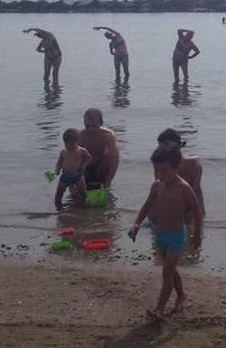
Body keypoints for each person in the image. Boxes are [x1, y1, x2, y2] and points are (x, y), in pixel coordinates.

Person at [128, 146, 203, 322]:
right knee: (171, 270)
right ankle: (182, 295)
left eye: (164, 170)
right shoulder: (156, 186)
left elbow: (197, 211)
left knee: (166, 273)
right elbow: (146, 206)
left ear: (176, 168)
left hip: (177, 236)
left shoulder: (183, 188)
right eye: (156, 170)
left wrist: (197, 234)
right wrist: (136, 224)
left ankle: (159, 309)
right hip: (161, 235)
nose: (159, 174)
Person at [157, 128, 205, 216]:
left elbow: (159, 189)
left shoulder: (161, 163)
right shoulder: (195, 162)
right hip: (188, 209)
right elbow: (197, 191)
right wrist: (201, 214)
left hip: (166, 208)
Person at [78, 108, 120, 189]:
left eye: (94, 126)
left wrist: (108, 182)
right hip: (85, 170)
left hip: (101, 169)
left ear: (101, 123)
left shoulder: (108, 135)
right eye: (87, 126)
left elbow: (115, 160)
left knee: (110, 156)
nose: (90, 129)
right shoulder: (80, 136)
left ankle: (105, 183)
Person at [54, 128, 91, 209]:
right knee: (59, 194)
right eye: (66, 144)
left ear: (77, 141)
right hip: (65, 176)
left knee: (83, 194)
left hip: (77, 176)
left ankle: (82, 207)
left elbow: (88, 158)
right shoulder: (63, 152)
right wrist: (57, 170)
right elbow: (59, 162)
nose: (68, 146)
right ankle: (59, 208)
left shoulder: (82, 151)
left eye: (71, 144)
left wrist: (83, 166)